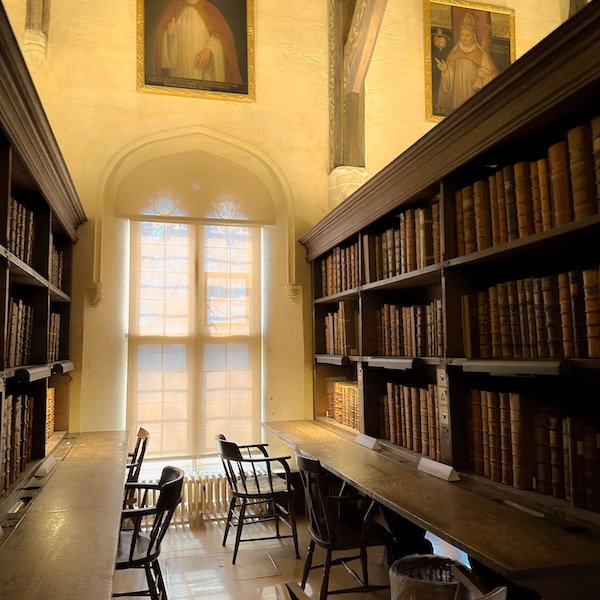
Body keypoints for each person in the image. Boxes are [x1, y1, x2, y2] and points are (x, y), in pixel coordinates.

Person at [154, 0, 242, 85]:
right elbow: (160, 38)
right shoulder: (173, 8)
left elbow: (224, 36)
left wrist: (209, 49)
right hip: (179, 71)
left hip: (203, 72)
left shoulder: (211, 10)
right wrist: (169, 35)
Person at [435, 11, 498, 114]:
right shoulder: (454, 53)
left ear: (473, 37)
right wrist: (446, 71)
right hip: (458, 96)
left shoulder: (481, 55)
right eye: (463, 35)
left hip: (473, 94)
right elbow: (449, 79)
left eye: (467, 35)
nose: (464, 38)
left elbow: (494, 76)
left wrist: (485, 76)